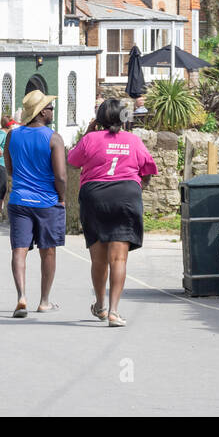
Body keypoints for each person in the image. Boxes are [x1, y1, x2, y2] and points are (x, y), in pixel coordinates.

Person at [66, 99, 157, 327]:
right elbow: (148, 169)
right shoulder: (133, 141)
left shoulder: (90, 139)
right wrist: (137, 186)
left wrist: (88, 131)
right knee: (118, 258)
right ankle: (114, 312)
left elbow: (73, 161)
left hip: (95, 197)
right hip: (126, 196)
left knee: (99, 259)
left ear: (100, 119)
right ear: (123, 118)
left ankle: (100, 305)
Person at [5, 89, 67, 318]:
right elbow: (61, 176)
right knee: (48, 251)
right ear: (41, 113)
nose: (52, 111)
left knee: (19, 250)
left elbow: (9, 169)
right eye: (50, 108)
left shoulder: (13, 135)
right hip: (47, 202)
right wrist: (62, 198)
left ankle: (21, 296)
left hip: (19, 200)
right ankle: (44, 301)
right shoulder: (54, 137)